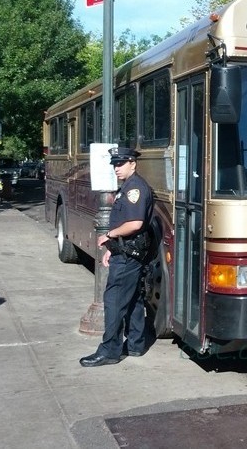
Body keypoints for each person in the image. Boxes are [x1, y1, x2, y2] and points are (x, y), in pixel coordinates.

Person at [80, 147, 153, 367]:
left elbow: (134, 224)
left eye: (121, 164)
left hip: (128, 255)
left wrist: (108, 236)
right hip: (126, 250)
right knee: (132, 299)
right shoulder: (128, 187)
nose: (116, 168)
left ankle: (110, 351)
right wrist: (113, 248)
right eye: (114, 164)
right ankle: (135, 344)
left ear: (133, 163)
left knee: (113, 301)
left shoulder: (135, 189)